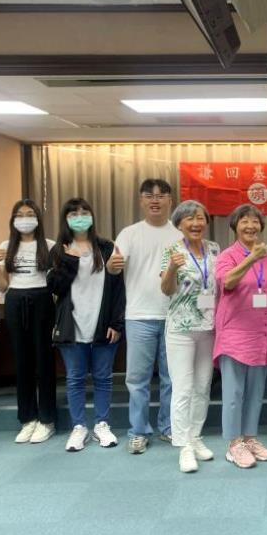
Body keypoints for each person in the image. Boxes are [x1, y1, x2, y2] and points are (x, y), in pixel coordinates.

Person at [47, 198, 125, 452]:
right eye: (73, 213)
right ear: (65, 219)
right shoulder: (59, 250)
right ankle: (79, 426)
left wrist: (116, 323)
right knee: (75, 378)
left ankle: (102, 424)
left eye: (84, 212)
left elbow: (118, 288)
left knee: (103, 378)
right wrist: (70, 261)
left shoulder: (106, 247)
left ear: (92, 216)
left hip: (103, 324)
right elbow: (55, 287)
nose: (80, 217)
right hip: (72, 325)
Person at [110, 179, 181, 454]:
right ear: (141, 200)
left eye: (161, 196)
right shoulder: (129, 234)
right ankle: (138, 431)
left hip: (174, 316)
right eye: (149, 195)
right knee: (137, 379)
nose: (155, 200)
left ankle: (169, 427)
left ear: (170, 201)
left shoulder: (179, 235)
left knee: (171, 378)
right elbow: (115, 267)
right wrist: (111, 266)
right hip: (139, 315)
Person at [214, 204, 267, 468]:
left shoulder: (266, 256)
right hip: (235, 334)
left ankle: (250, 438)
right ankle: (234, 444)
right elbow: (227, 282)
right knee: (234, 393)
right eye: (244, 221)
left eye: (255, 221)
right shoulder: (228, 255)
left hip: (262, 334)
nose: (250, 226)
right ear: (235, 226)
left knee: (255, 392)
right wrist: (250, 259)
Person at [160, 200, 220, 473]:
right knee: (182, 388)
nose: (196, 223)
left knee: (202, 387)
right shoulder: (171, 251)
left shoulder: (214, 249)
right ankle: (183, 445)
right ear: (179, 224)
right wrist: (172, 268)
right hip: (181, 329)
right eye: (189, 219)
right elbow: (166, 289)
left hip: (208, 328)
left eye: (200, 218)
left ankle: (195, 437)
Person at [0, 199, 57, 444]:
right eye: (19, 215)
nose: (25, 218)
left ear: (38, 218)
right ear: (13, 220)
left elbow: (56, 282)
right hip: (15, 300)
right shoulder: (6, 245)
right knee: (22, 361)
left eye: (30, 214)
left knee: (44, 361)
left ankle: (47, 420)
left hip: (42, 299)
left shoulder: (49, 245)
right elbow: (2, 285)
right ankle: (28, 419)